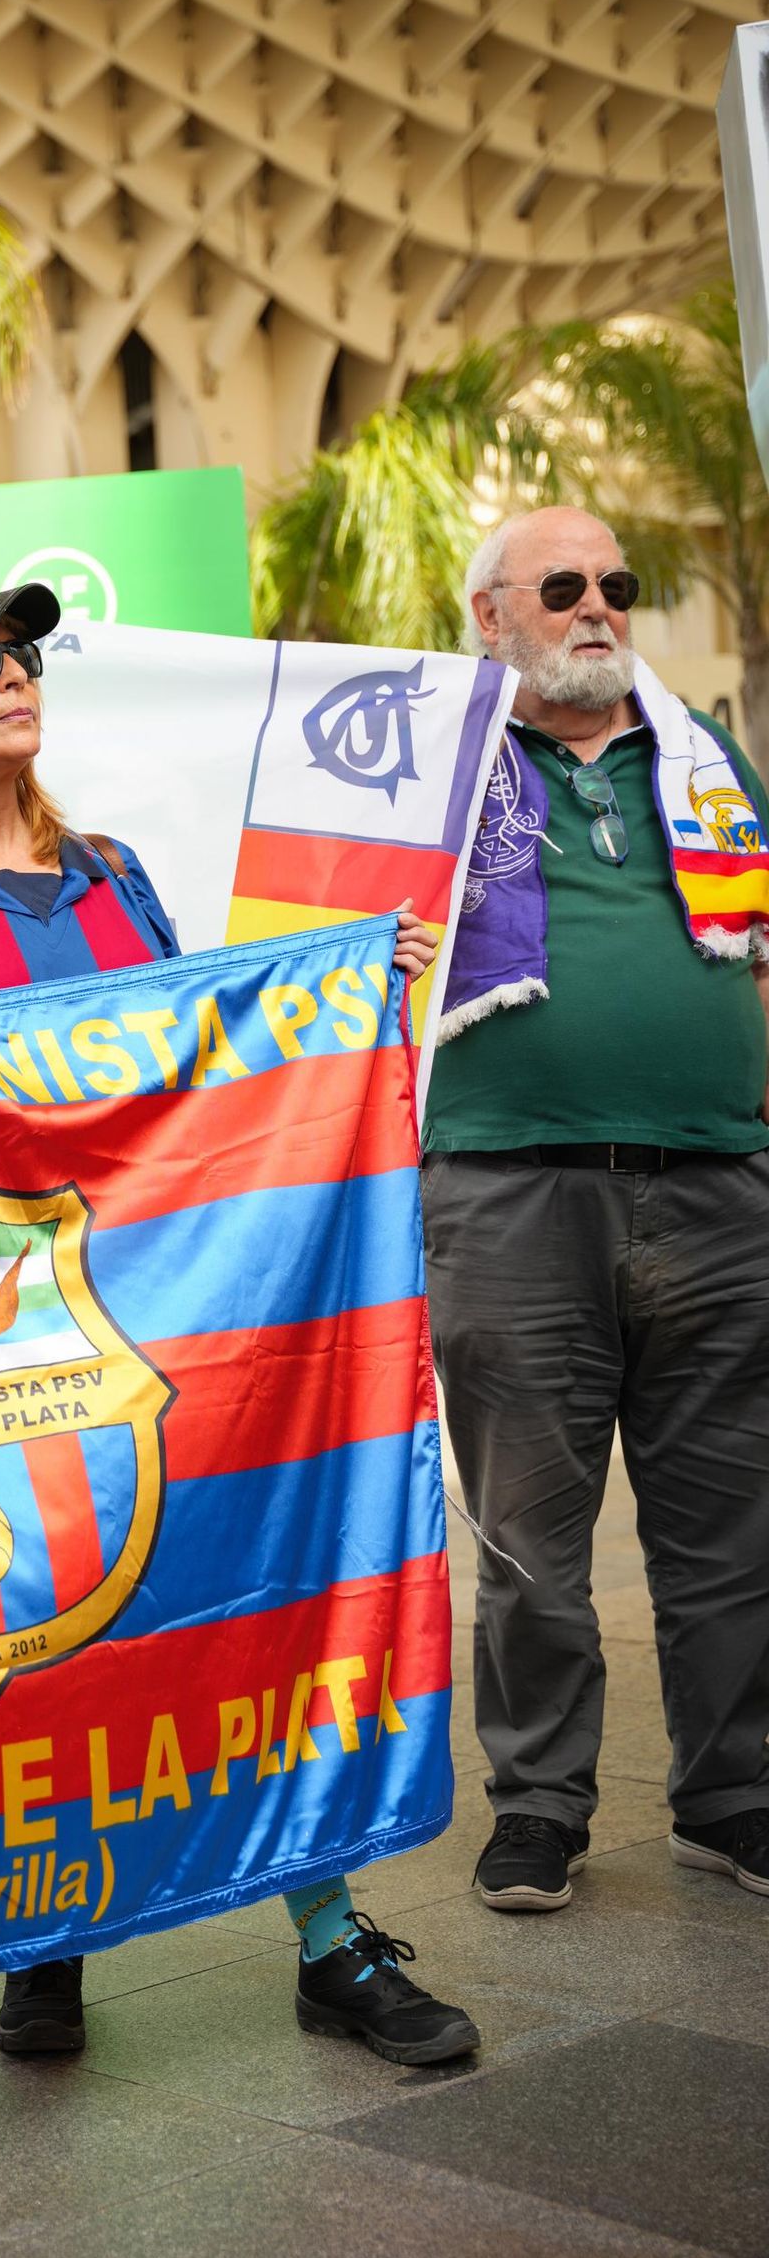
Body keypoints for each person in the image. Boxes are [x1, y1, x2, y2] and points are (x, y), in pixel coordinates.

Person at [0, 579, 482, 2069]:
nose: (18, 674)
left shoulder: (111, 870)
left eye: (27, 651)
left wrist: (342, 995)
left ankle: (331, 1934)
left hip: (160, 1299)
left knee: (241, 1592)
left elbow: (200, 1058)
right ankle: (49, 1936)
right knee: (32, 1624)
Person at [424, 505, 769, 1914]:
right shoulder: (428, 768)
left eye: (616, 585)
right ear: (490, 615)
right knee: (530, 1539)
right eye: (561, 585)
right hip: (511, 1191)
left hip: (720, 1189)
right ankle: (542, 1805)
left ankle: (736, 1794)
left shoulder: (705, 759)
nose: (598, 608)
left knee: (732, 1529)